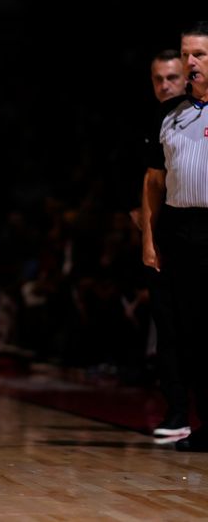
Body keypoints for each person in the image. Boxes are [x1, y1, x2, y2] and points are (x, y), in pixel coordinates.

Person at [141, 22, 208, 451]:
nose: (190, 63)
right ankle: (196, 419)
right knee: (189, 331)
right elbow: (153, 183)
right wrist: (149, 240)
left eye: (199, 54)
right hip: (181, 229)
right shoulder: (171, 115)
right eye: (187, 54)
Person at [139, 49, 189, 441]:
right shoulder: (155, 121)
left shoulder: (193, 115)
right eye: (158, 79)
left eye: (172, 78)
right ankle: (176, 411)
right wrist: (146, 233)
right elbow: (148, 181)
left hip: (185, 224)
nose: (165, 86)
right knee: (167, 324)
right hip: (162, 229)